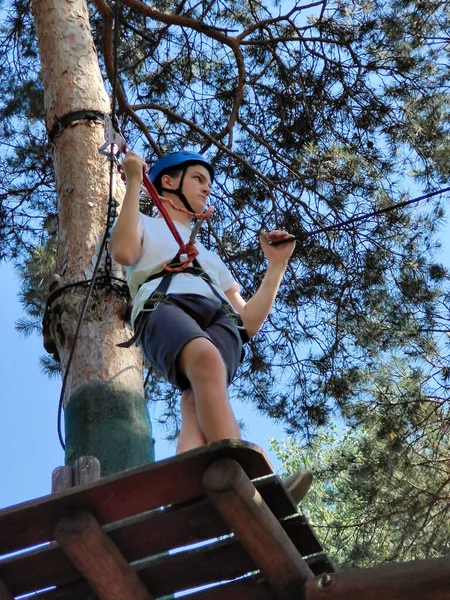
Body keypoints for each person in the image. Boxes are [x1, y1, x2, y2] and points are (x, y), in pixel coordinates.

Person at [111, 150, 312, 503]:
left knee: (194, 403)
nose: (207, 189)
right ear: (169, 182)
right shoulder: (146, 224)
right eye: (198, 179)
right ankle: (254, 489)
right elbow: (125, 252)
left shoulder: (211, 257)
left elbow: (247, 323)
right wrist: (132, 184)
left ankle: (188, 493)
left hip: (219, 319)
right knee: (205, 360)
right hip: (164, 304)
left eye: (209, 183)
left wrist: (276, 265)